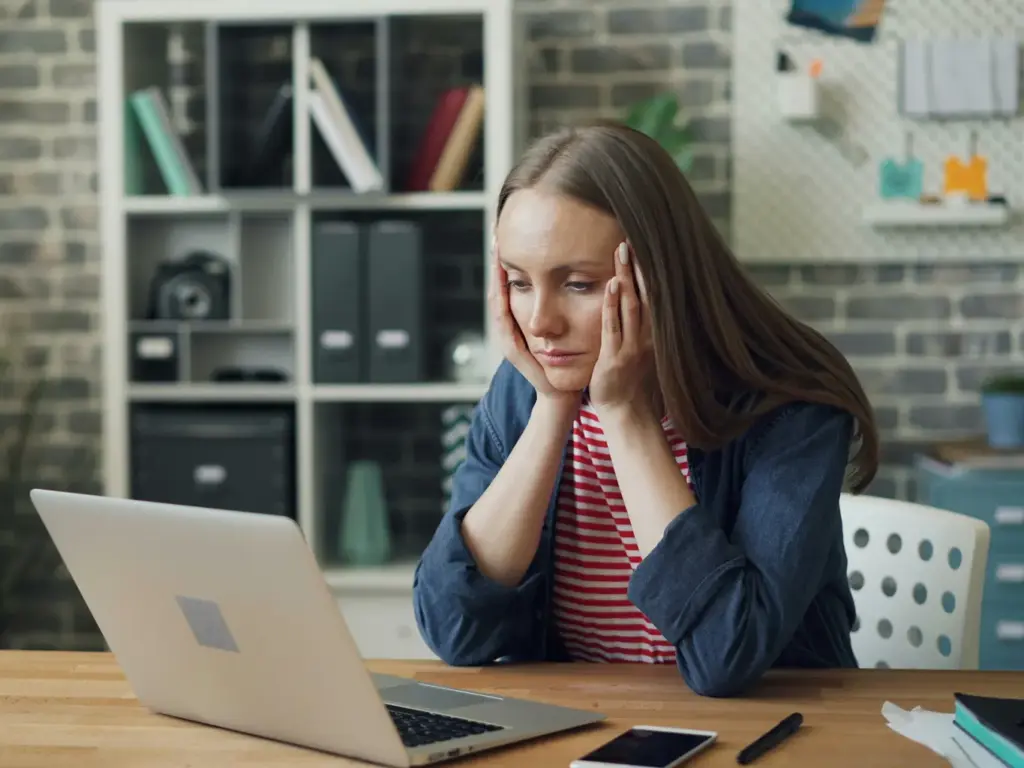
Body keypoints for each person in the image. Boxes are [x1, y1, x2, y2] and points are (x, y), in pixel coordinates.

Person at [412, 121, 879, 698]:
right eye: (518, 282)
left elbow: (726, 656)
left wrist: (625, 416)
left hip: (769, 730)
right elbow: (454, 630)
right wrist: (552, 407)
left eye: (578, 284)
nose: (539, 323)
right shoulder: (525, 389)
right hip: (584, 723)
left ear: (661, 276)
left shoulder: (790, 405)